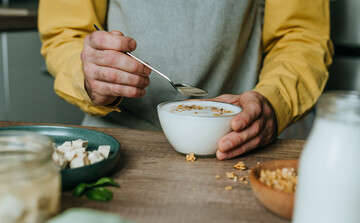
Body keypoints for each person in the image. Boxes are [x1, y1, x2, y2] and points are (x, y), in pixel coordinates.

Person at [38, 0, 333, 160]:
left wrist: (274, 101)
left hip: (236, 142)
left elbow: (301, 35)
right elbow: (65, 34)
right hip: (117, 144)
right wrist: (89, 74)